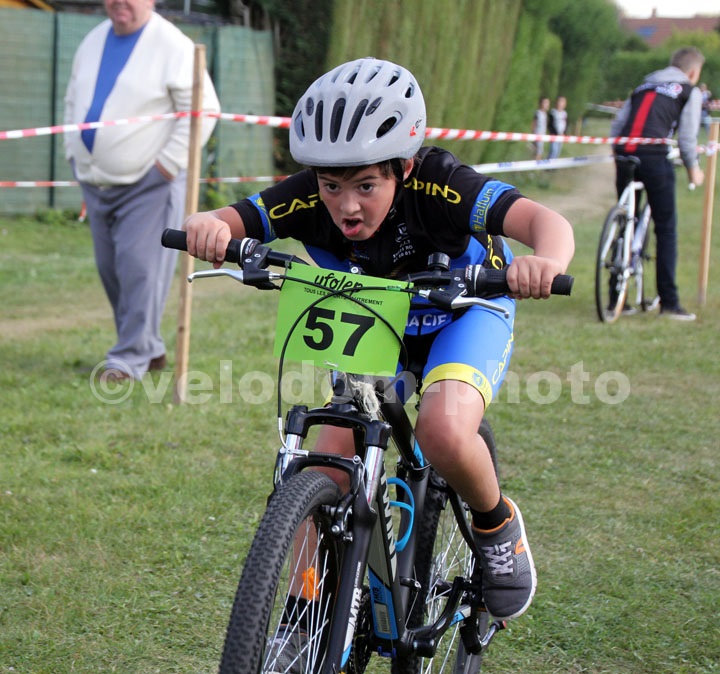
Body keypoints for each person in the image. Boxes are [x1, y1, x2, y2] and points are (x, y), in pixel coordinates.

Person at [184, 58, 574, 623]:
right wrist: (209, 225)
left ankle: (496, 525)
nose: (346, 205)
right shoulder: (307, 197)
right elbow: (228, 218)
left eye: (367, 186)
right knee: (327, 458)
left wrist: (547, 261)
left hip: (463, 312)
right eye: (331, 186)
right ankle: (302, 616)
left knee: (442, 431)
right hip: (379, 321)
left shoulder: (442, 185)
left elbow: (547, 223)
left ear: (404, 167)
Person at [64, 0, 220, 380]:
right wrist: (73, 152)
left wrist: (166, 164)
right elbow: (72, 101)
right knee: (111, 270)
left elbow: (205, 109)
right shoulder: (93, 40)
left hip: (149, 184)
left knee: (139, 269)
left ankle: (128, 358)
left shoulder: (173, 45)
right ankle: (148, 347)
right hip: (97, 182)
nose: (120, 2)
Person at [610, 46, 705, 321]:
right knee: (666, 229)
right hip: (653, 156)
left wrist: (617, 154)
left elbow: (617, 126)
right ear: (693, 72)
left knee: (625, 221)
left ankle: (616, 297)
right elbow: (687, 138)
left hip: (625, 153)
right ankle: (670, 303)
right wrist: (694, 170)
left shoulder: (643, 86)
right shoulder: (689, 91)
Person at [547, 95, 568, 159]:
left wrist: (564, 133)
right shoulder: (553, 112)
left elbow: (566, 124)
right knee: (553, 151)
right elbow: (550, 125)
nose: (560, 103)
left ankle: (554, 164)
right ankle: (549, 163)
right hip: (554, 135)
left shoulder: (565, 114)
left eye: (562, 102)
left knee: (558, 152)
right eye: (559, 101)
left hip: (561, 136)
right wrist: (555, 133)